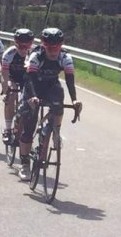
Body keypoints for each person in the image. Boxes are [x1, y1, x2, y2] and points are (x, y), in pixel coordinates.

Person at [18, 28, 81, 180]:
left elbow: (70, 80)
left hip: (51, 85)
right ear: (44, 45)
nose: (53, 51)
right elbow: (30, 78)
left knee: (59, 97)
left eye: (57, 47)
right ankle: (25, 164)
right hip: (33, 86)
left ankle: (56, 131)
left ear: (61, 45)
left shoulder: (65, 57)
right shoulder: (36, 56)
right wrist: (33, 97)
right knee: (29, 126)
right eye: (50, 47)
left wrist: (74, 100)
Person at [0, 28, 34, 144]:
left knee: (28, 100)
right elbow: (4, 74)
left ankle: (21, 125)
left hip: (25, 78)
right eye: (20, 46)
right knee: (12, 94)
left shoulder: (33, 54)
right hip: (11, 76)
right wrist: (5, 91)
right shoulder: (9, 53)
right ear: (15, 44)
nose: (24, 50)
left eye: (26, 47)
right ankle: (7, 129)